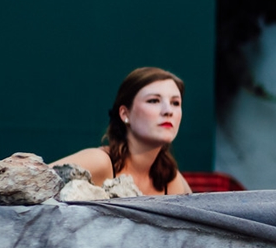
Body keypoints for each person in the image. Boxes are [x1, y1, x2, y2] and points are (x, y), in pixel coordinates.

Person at [54, 67, 192, 195]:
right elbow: (40, 180)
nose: (168, 111)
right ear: (125, 114)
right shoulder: (100, 161)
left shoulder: (171, 180)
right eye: (153, 101)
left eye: (175, 103)